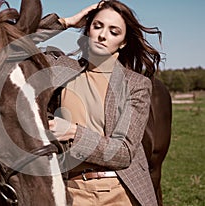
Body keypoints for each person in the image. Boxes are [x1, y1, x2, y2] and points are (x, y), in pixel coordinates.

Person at [35, 0, 163, 205]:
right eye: (97, 26)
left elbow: (124, 152)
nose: (103, 35)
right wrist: (65, 22)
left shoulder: (136, 84)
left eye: (114, 31)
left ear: (123, 42)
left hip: (120, 191)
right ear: (88, 30)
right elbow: (10, 48)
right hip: (70, 191)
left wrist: (73, 132)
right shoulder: (60, 67)